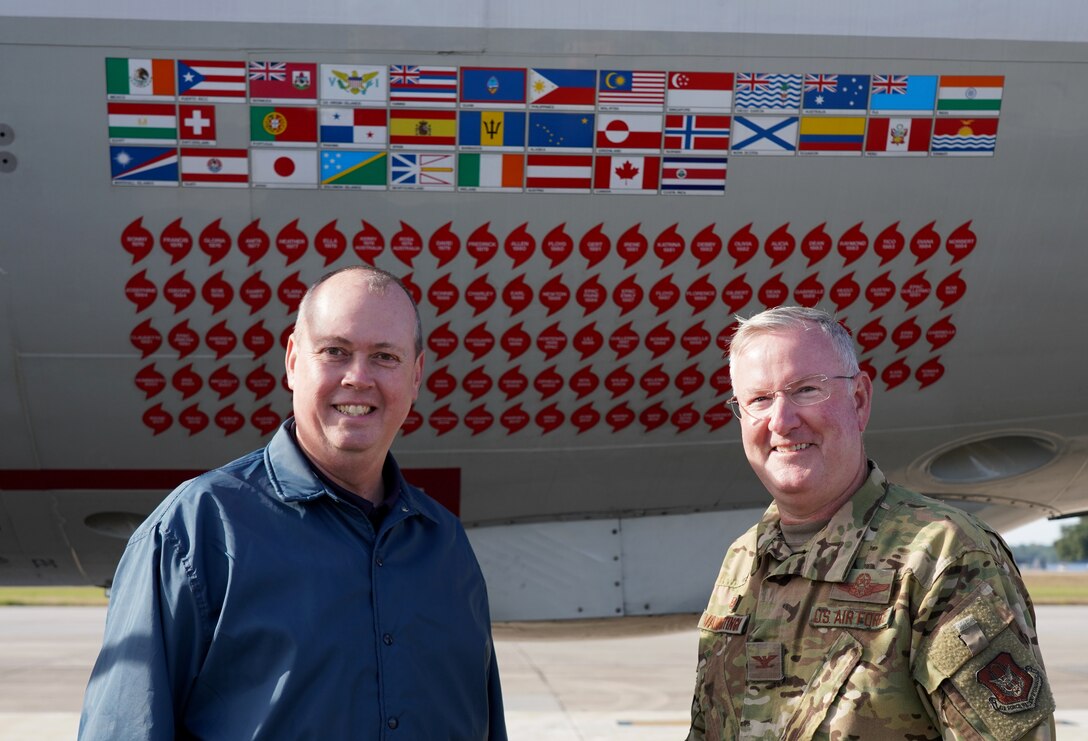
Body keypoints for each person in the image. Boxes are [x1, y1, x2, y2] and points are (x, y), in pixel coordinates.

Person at [80, 266, 507, 740]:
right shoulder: (197, 531)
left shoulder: (446, 548)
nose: (358, 377)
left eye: (385, 357)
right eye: (335, 352)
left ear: (416, 376)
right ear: (292, 361)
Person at [687, 305, 1054, 740]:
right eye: (760, 399)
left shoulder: (942, 556)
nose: (782, 421)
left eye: (806, 390)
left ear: (859, 400)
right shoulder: (744, 560)